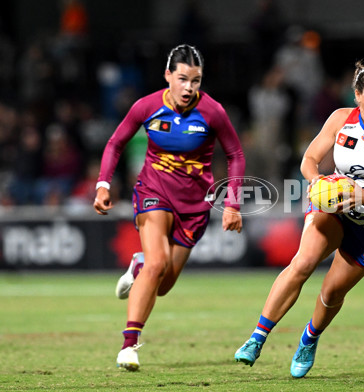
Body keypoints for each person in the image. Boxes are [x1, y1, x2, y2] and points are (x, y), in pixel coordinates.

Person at [234, 61, 364, 377]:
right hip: (333, 210)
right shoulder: (340, 120)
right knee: (303, 263)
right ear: (357, 95)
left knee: (332, 293)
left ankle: (309, 339)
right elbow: (309, 159)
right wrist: (316, 181)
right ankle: (257, 337)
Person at [93, 44, 245, 371]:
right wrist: (103, 184)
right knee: (157, 263)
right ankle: (128, 346)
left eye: (196, 80)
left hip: (195, 204)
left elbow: (235, 155)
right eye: (182, 79)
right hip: (153, 191)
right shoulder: (146, 106)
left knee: (162, 285)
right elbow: (115, 142)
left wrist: (233, 202)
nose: (189, 88)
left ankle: (138, 266)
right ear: (168, 76)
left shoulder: (213, 112)